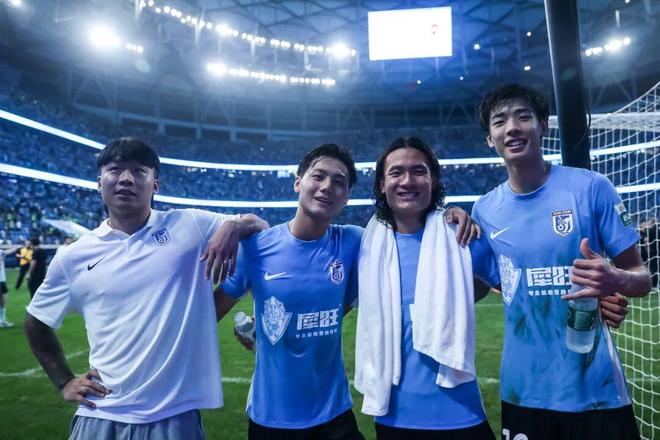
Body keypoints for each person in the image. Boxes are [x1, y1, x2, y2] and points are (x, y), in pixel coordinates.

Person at [221, 144, 477, 440]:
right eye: (318, 176)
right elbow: (209, 312)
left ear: (346, 197)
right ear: (298, 182)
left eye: (339, 181)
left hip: (335, 416)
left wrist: (447, 214)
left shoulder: (356, 242)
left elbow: (407, 229)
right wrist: (236, 223)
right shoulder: (256, 248)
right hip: (271, 418)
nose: (327, 187)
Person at [24, 137, 268, 440]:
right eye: (115, 169)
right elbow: (36, 321)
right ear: (99, 182)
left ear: (155, 185)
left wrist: (234, 225)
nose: (126, 178)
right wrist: (64, 381)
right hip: (100, 412)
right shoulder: (72, 256)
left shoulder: (189, 224)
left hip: (173, 416)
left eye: (139, 171)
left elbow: (261, 226)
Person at [473, 84, 651, 440]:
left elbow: (641, 277)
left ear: (543, 125)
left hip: (597, 390)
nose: (512, 127)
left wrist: (615, 280)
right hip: (525, 390)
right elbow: (489, 286)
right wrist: (447, 217)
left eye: (523, 117)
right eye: (500, 121)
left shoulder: (592, 187)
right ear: (490, 139)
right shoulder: (484, 210)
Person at [354, 137, 497, 439]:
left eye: (419, 171)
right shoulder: (364, 247)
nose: (408, 181)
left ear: (434, 180)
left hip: (462, 416)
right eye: (396, 172)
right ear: (381, 184)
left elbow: (509, 289)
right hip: (394, 419)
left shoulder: (462, 237)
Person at [0, 243, 18, 328]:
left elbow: (9, 251)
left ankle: (2, 319)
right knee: (3, 300)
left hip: (1, 280)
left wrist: (14, 247)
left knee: (3, 300)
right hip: (0, 280)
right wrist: (1, 260)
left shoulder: (1, 252)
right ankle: (2, 319)